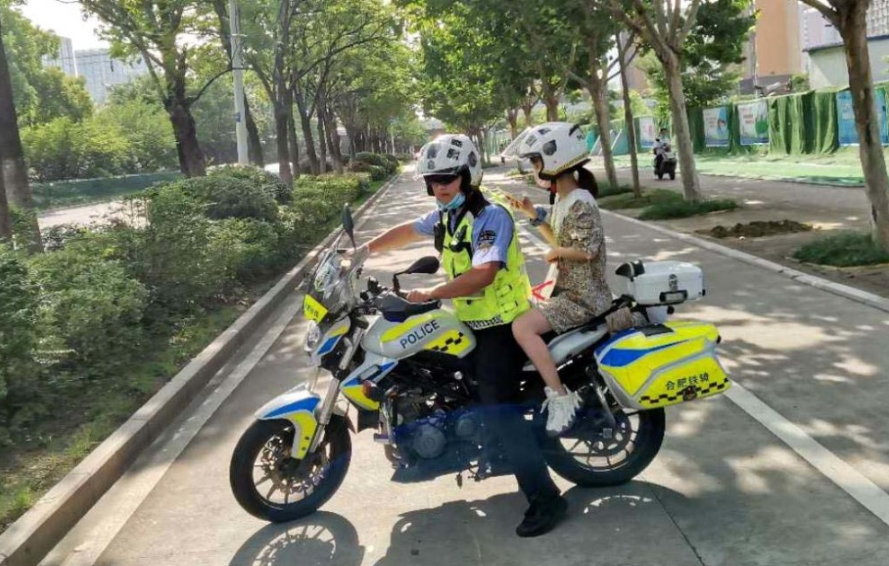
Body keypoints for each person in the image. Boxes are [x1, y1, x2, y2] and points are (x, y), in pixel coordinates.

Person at [356, 134, 567, 538]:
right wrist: (362, 252)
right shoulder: (448, 214)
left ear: (468, 176)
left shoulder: (491, 216)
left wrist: (431, 293)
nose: (439, 187)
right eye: (432, 180)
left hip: (503, 325)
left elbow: (484, 273)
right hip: (470, 322)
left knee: (498, 407)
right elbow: (408, 230)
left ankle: (546, 498)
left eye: (447, 178)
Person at [504, 123, 613, 436]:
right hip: (566, 291)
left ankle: (561, 397)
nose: (534, 168)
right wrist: (531, 214)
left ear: (555, 159)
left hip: (583, 297)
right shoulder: (564, 200)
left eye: (535, 161)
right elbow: (559, 240)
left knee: (522, 327)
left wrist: (556, 253)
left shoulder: (581, 201)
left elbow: (586, 250)